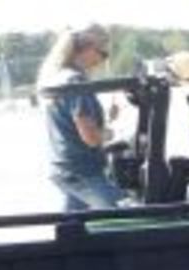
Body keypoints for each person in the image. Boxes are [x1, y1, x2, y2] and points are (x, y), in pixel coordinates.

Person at [38, 24, 125, 211]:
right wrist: (111, 134)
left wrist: (107, 119)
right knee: (123, 213)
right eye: (102, 52)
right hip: (82, 171)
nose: (103, 59)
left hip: (65, 168)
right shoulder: (76, 83)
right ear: (85, 48)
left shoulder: (58, 77)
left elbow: (71, 126)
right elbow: (91, 138)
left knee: (72, 227)